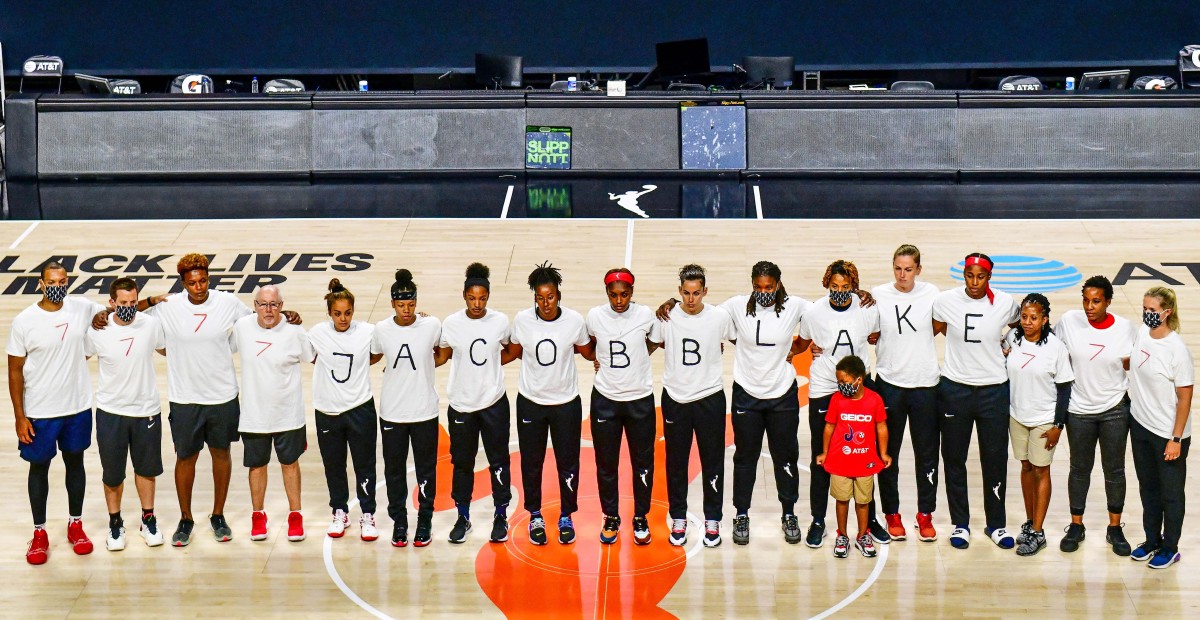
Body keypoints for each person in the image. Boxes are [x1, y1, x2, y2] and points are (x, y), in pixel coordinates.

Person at [136, 253, 300, 547]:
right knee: (185, 458)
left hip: (223, 396)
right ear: (183, 283)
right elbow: (128, 314)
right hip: (185, 398)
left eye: (203, 281)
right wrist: (149, 301)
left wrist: (288, 315)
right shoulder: (168, 307)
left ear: (208, 278)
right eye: (192, 283)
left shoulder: (227, 302)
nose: (198, 287)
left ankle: (218, 515)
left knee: (221, 454)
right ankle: (185, 518)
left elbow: (260, 318)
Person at [660, 261, 810, 546]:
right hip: (747, 395)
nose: (763, 292)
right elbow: (699, 311)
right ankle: (741, 514)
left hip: (782, 395)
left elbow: (826, 312)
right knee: (744, 458)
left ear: (778, 285)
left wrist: (800, 347)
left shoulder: (796, 306)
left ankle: (789, 513)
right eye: (757, 287)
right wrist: (672, 302)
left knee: (786, 457)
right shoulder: (735, 306)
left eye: (768, 287)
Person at [7, 262, 105, 564]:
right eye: (51, 282)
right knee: (39, 468)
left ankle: (76, 525)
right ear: (41, 284)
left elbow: (117, 310)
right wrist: (20, 416)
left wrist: (150, 302)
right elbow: (14, 371)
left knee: (75, 463)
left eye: (62, 281)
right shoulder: (25, 321)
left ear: (67, 282)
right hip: (40, 411)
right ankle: (39, 533)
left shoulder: (81, 307)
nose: (57, 287)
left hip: (76, 407)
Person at [933, 252, 1020, 550]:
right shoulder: (946, 300)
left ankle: (996, 524)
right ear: (964, 275)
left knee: (994, 459)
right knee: (954, 458)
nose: (974, 282)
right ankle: (960, 523)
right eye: (969, 276)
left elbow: (1021, 324)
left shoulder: (1005, 303)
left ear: (989, 277)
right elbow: (932, 327)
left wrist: (1008, 342)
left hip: (993, 390)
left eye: (980, 276)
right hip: (955, 388)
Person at [796, 260, 881, 548]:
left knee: (866, 453)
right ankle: (818, 520)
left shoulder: (867, 308)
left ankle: (870, 521)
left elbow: (877, 335)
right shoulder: (814, 312)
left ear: (854, 286)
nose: (840, 291)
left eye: (846, 286)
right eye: (834, 286)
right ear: (826, 284)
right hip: (825, 387)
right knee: (821, 456)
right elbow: (802, 342)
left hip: (859, 386)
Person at [649, 264, 734, 548]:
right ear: (679, 291)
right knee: (676, 463)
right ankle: (678, 517)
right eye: (685, 293)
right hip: (676, 399)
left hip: (710, 398)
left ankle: (713, 519)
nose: (691, 299)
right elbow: (647, 347)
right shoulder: (667, 316)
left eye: (696, 293)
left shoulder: (719, 317)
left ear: (705, 291)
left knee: (712, 462)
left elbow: (744, 341)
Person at [509, 262, 591, 546]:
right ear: (534, 297)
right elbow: (514, 352)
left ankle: (566, 515)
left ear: (559, 295)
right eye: (540, 298)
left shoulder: (574, 321)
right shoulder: (522, 320)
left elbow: (588, 351)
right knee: (532, 463)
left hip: (566, 403)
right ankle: (535, 515)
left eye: (550, 297)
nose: (545, 303)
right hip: (531, 402)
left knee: (568, 463)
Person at [1055, 275, 1135, 555]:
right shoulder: (1068, 321)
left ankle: (1115, 527)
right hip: (1078, 410)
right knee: (1079, 469)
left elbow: (1135, 364)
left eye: (1096, 301)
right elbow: (1051, 349)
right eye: (1086, 300)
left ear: (1108, 301)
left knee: (1114, 470)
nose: (1089, 306)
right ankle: (1076, 525)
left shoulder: (1125, 328)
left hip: (1115, 410)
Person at [86, 278, 167, 551]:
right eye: (123, 303)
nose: (129, 307)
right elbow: (77, 357)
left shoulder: (151, 325)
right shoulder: (98, 329)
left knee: (147, 470)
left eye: (133, 302)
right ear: (111, 303)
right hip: (111, 412)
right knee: (113, 474)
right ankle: (115, 523)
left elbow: (169, 350)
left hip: (146, 410)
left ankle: (148, 520)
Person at [869, 244, 941, 542]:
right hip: (890, 384)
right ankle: (892, 513)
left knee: (927, 455)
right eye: (898, 268)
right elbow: (868, 331)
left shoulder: (932, 293)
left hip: (925, 385)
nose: (902, 275)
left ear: (918, 270)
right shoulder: (878, 294)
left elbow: (939, 326)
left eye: (908, 269)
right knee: (887, 454)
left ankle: (925, 514)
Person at [438, 263, 513, 545]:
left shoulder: (500, 321)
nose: (477, 304)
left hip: (494, 403)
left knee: (499, 461)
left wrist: (492, 365)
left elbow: (512, 350)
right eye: (472, 298)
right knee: (462, 464)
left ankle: (500, 515)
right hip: (462, 405)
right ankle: (463, 517)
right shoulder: (451, 323)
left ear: (488, 296)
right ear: (464, 296)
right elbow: (441, 356)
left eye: (482, 298)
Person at [372, 269, 446, 547]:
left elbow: (443, 353)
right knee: (394, 471)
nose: (407, 310)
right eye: (401, 305)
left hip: (425, 411)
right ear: (392, 303)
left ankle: (425, 520)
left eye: (411, 304)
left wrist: (426, 366)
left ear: (416, 302)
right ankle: (399, 522)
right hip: (392, 412)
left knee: (426, 470)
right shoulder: (381, 330)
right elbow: (374, 355)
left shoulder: (432, 325)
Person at [233, 285, 313, 543]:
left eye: (274, 304)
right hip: (254, 415)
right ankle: (258, 515)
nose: (268, 310)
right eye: (263, 304)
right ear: (254, 305)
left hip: (288, 414)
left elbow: (312, 357)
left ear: (282, 305)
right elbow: (220, 347)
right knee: (257, 466)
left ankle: (295, 515)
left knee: (290, 464)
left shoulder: (295, 330)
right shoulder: (242, 327)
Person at [586, 268, 657, 545]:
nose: (619, 300)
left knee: (643, 462)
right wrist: (599, 358)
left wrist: (639, 356)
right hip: (606, 399)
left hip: (640, 398)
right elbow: (590, 345)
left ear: (632, 292)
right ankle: (611, 516)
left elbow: (654, 341)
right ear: (606, 293)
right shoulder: (595, 316)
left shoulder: (645, 315)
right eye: (613, 295)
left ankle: (640, 516)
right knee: (606, 463)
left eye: (624, 294)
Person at [307, 279, 379, 541]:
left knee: (365, 465)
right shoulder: (317, 333)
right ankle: (339, 511)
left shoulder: (368, 331)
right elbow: (309, 355)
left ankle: (368, 514)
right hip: (328, 411)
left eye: (348, 313)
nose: (343, 318)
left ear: (353, 311)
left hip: (360, 409)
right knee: (334, 466)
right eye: (337, 313)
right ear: (329, 313)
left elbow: (379, 351)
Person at [1128, 287, 1193, 569]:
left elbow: (1185, 397)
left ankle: (1170, 547)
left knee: (1171, 493)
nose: (1147, 314)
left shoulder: (1177, 350)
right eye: (1145, 308)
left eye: (1152, 310)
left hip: (1168, 434)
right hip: (1140, 426)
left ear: (1167, 312)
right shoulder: (1143, 333)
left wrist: (1175, 438)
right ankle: (1152, 540)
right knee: (1148, 489)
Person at [1006, 293, 1073, 556]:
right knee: (1025, 467)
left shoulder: (1056, 348)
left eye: (1034, 317)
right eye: (1024, 316)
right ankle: (1029, 521)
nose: (1027, 322)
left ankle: (1038, 531)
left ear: (1044, 319)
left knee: (1041, 470)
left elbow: (1064, 389)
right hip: (1017, 416)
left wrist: (1059, 425)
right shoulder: (1013, 338)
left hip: (1044, 420)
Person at [816, 355, 891, 558]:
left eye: (844, 380)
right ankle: (842, 536)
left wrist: (883, 453)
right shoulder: (836, 399)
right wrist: (825, 452)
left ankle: (862, 535)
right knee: (842, 500)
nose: (841, 385)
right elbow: (829, 427)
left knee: (863, 501)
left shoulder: (874, 400)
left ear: (859, 379)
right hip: (839, 461)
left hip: (865, 462)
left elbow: (881, 427)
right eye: (838, 381)